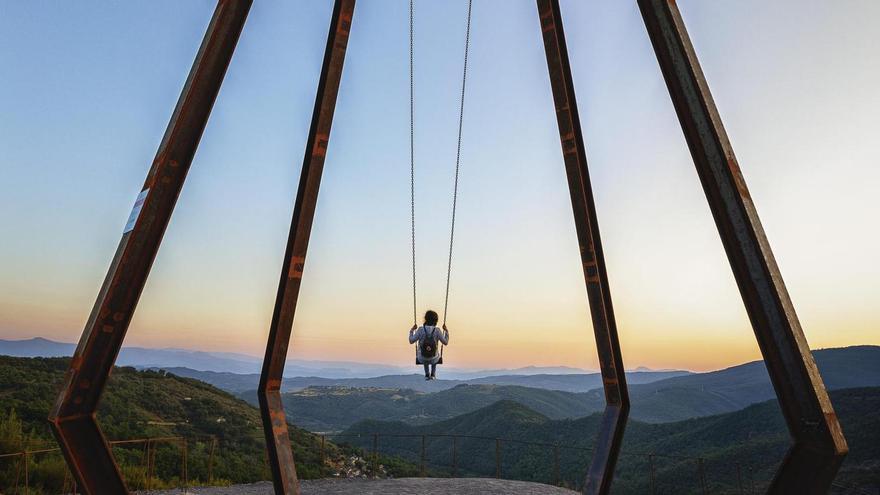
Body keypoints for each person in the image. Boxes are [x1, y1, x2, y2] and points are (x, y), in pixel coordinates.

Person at [409, 310, 449, 380]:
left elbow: (411, 341)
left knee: (424, 355)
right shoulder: (437, 330)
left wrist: (412, 330)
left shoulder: (420, 330)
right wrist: (446, 331)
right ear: (436, 320)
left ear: (426, 319)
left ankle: (427, 374)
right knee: (435, 355)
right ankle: (433, 374)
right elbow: (445, 342)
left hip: (422, 358)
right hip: (434, 359)